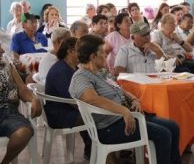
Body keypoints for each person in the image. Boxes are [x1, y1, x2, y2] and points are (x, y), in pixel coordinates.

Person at [69, 35, 180, 164]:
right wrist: (124, 111)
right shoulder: (81, 76)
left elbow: (118, 88)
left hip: (124, 118)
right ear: (93, 57)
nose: (106, 55)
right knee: (163, 134)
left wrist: (134, 99)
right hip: (109, 128)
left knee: (173, 126)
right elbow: (91, 99)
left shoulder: (99, 72)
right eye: (102, 52)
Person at [44, 37, 91, 160]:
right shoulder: (61, 71)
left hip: (67, 108)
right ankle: (100, 151)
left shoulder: (72, 67)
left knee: (96, 112)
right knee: (100, 117)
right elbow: (73, 100)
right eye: (80, 50)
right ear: (70, 51)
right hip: (60, 114)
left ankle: (92, 149)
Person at [0, 44, 42, 164]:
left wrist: (34, 99)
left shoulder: (6, 64)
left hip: (8, 112)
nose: (2, 50)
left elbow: (21, 88)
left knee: (23, 132)